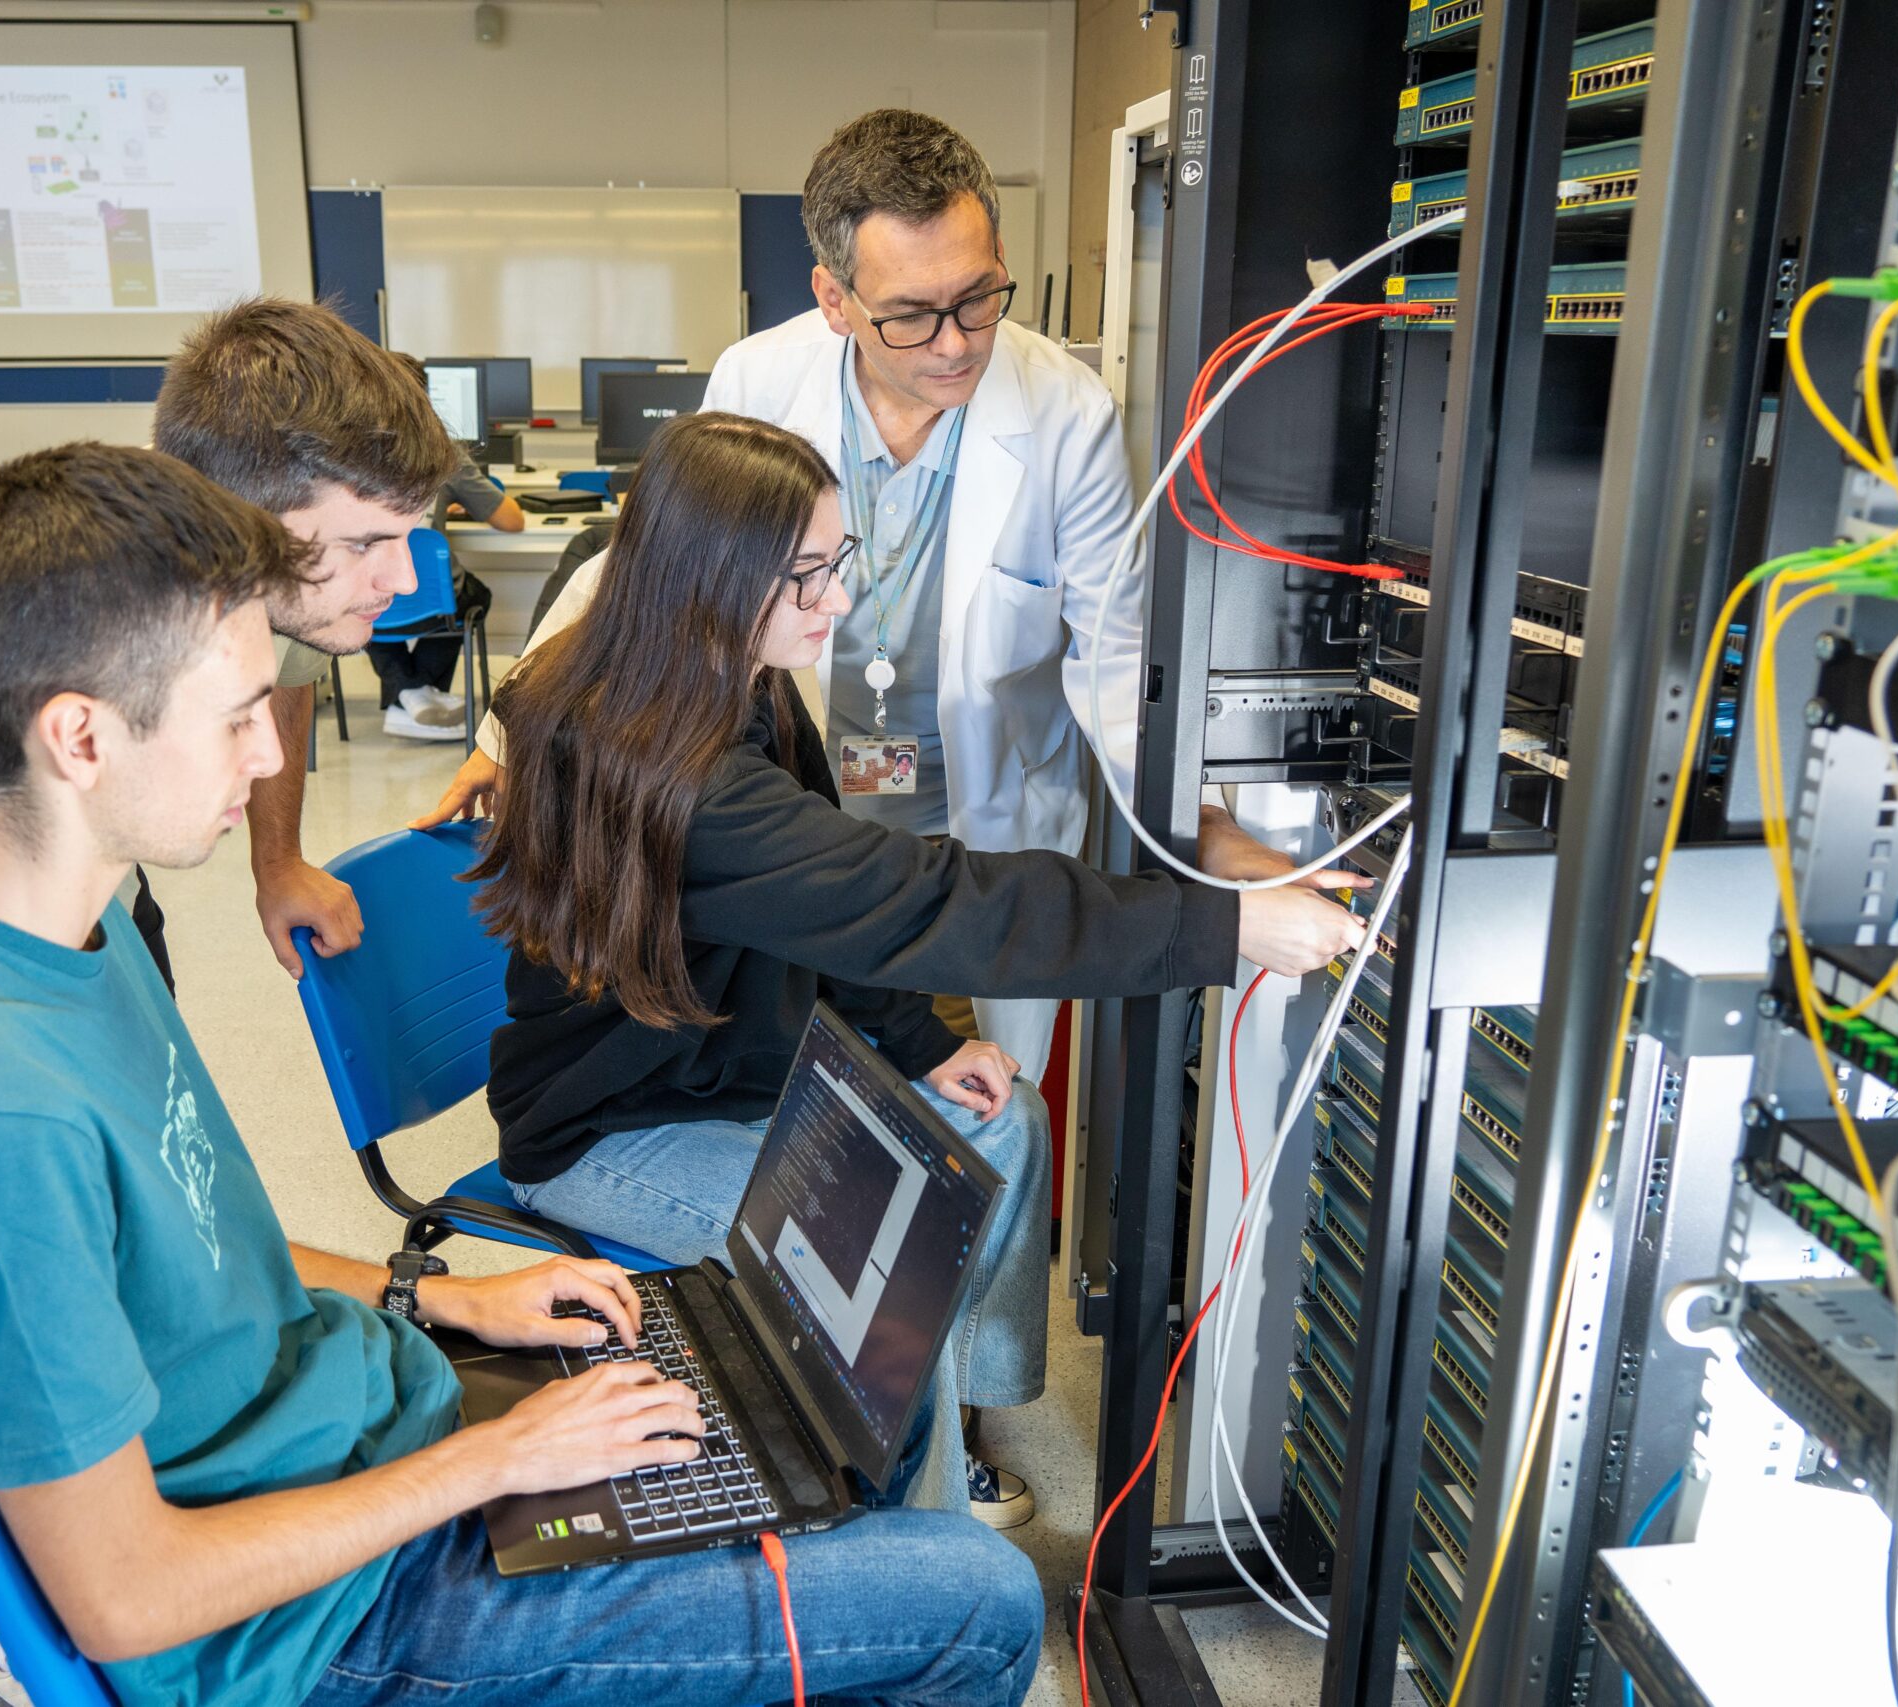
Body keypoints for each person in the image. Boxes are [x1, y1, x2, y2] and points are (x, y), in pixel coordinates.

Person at [0, 442, 1044, 1707]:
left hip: (376, 1433)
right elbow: (128, 1602)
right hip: (326, 1619)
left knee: (832, 1424)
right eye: (236, 719)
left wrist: (446, 1297)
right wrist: (498, 1460)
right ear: (80, 737)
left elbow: (201, 1270)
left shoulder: (73, 930)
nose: (270, 762)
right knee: (974, 1598)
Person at [471, 413, 1365, 1527]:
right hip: (613, 1132)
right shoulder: (678, 771)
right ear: (710, 575)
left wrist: (925, 1045)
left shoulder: (724, 677)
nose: (834, 604)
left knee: (1000, 1122)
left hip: (731, 1076)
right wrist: (1221, 931)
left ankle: (960, 1423)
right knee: (897, 1283)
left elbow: (838, 916)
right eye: (803, 577)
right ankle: (926, 1547)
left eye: (834, 565)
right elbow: (920, 902)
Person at [421, 109, 1355, 1080]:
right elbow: (656, 567)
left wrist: (1200, 830)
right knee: (824, 1086)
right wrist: (511, 735)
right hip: (795, 807)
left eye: (980, 296)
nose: (954, 343)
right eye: (910, 313)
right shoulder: (759, 378)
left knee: (984, 1089)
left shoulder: (1066, 413)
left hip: (978, 813)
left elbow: (1113, 654)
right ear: (834, 298)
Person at [0, 298, 446, 1084]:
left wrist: (279, 861)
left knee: (145, 1093)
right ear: (248, 519)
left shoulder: (242, 557)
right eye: (368, 543)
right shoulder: (84, 623)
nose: (403, 580)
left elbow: (285, 669)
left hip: (61, 835)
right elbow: (20, 915)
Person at [371, 353, 523, 743]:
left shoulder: (342, 454)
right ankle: (415, 692)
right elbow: (512, 521)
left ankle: (406, 694)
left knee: (366, 595)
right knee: (474, 597)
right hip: (431, 599)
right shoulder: (445, 454)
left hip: (367, 594)